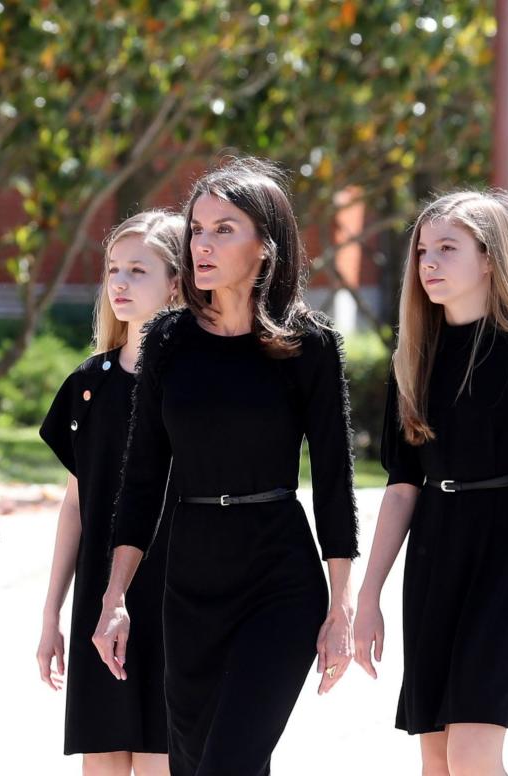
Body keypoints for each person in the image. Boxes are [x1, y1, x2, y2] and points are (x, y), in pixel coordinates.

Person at [92, 158, 358, 776]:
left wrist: (340, 607)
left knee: (230, 762)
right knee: (193, 763)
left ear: (266, 248)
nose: (201, 245)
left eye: (223, 230)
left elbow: (336, 483)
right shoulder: (167, 340)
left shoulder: (310, 346)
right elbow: (142, 480)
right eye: (196, 229)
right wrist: (114, 597)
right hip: (190, 585)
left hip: (280, 583)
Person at [352, 190, 508, 775]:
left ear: (489, 258)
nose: (428, 262)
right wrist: (368, 596)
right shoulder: (414, 360)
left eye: (448, 249)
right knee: (437, 760)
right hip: (435, 558)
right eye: (423, 250)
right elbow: (402, 488)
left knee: (472, 757)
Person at [37, 210, 184, 776]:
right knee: (100, 763)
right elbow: (76, 505)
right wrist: (52, 614)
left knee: (158, 762)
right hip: (101, 603)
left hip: (174, 598)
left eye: (138, 271)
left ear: (176, 282)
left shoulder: (193, 389)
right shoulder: (86, 385)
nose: (119, 283)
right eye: (113, 269)